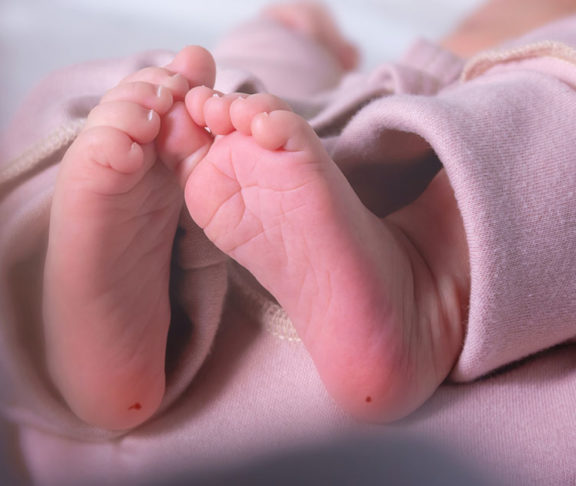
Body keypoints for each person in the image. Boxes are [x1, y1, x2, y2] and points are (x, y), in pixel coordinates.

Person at [1, 0, 575, 482]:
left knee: (161, 105)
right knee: (197, 107)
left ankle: (64, 328)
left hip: (147, 449)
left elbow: (258, 66)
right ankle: (438, 271)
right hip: (469, 438)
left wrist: (292, 30)